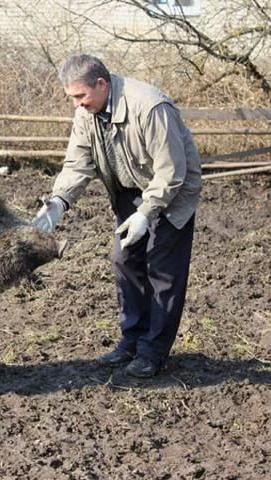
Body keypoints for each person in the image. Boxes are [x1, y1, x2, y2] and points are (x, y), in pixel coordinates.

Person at [33, 53, 201, 378]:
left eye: (81, 96)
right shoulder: (87, 113)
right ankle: (132, 339)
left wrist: (146, 214)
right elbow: (77, 163)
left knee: (162, 270)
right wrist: (58, 203)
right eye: (72, 98)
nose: (77, 105)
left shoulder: (150, 107)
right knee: (123, 259)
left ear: (101, 84)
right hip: (128, 188)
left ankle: (154, 351)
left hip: (171, 191)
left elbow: (171, 172)